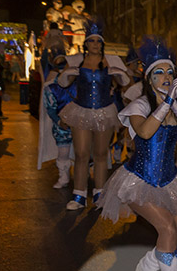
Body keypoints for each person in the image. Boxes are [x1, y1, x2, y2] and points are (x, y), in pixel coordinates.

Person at [98, 37, 177, 271]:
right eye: (159, 72)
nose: (166, 77)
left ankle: (148, 265)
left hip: (170, 179)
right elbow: (144, 132)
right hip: (138, 181)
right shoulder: (139, 106)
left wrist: (176, 105)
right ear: (148, 78)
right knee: (166, 229)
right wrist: (165, 104)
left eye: (170, 72)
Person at [57, 22, 131, 210]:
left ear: (102, 44)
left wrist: (119, 74)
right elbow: (62, 83)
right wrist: (68, 73)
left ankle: (99, 193)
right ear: (86, 43)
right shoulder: (75, 60)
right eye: (92, 41)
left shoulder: (111, 60)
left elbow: (127, 80)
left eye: (99, 41)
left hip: (104, 111)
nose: (95, 44)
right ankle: (79, 195)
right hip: (81, 111)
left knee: (100, 154)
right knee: (81, 154)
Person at [38, 47, 77, 188]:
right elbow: (50, 108)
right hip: (63, 127)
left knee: (82, 152)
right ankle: (64, 177)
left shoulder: (77, 83)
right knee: (63, 152)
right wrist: (60, 122)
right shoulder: (51, 87)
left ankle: (80, 179)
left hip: (79, 124)